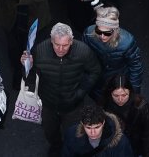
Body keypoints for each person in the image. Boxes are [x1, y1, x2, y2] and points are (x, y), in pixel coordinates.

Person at [24, 23, 102, 156]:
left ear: (71, 41)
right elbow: (30, 79)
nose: (60, 49)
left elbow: (95, 71)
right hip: (48, 104)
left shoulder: (83, 51)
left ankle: (69, 150)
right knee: (50, 131)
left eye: (65, 45)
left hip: (73, 105)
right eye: (56, 44)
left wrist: (81, 92)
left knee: (73, 133)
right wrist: (27, 66)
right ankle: (56, 146)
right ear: (51, 40)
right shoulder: (40, 51)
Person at [82, 6, 144, 98]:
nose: (102, 36)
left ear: (115, 30)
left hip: (117, 79)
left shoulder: (127, 42)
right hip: (96, 76)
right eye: (99, 31)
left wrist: (135, 92)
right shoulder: (88, 33)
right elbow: (84, 55)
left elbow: (136, 66)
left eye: (107, 33)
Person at [101, 76, 149, 157]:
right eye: (116, 95)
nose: (120, 99)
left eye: (124, 95)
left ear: (130, 92)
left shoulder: (141, 107)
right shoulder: (106, 103)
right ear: (110, 93)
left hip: (135, 146)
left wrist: (147, 154)